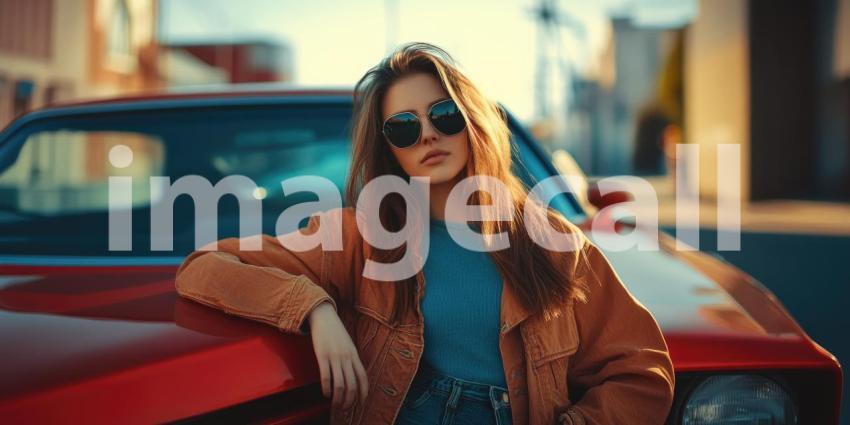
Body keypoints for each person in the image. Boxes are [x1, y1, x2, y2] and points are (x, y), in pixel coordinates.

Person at [174, 42, 674, 425]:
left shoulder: (556, 244)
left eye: (443, 114)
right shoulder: (359, 236)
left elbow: (641, 372)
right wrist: (313, 308)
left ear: (472, 121)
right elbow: (206, 269)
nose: (428, 135)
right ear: (390, 148)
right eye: (403, 128)